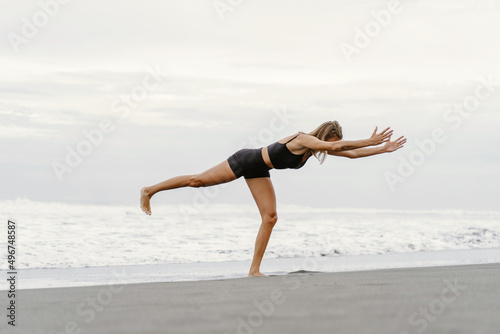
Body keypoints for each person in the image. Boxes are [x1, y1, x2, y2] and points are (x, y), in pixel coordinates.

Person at [140, 121, 406, 277]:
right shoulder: (304, 139)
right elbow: (336, 147)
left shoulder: (315, 149)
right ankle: (150, 190)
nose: (335, 146)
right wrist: (369, 139)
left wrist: (382, 149)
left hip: (260, 170)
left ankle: (254, 270)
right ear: (324, 136)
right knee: (197, 181)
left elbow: (351, 154)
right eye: (333, 142)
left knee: (270, 217)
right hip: (246, 159)